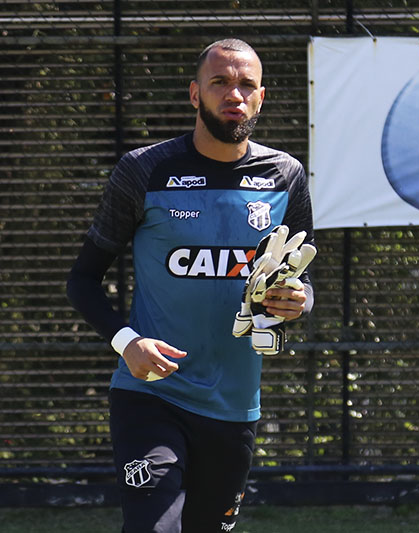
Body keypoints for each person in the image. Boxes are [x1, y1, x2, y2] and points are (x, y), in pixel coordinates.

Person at [67, 38, 315, 533]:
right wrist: (127, 343)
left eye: (246, 85)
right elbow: (82, 281)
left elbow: (300, 279)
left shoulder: (285, 176)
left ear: (261, 97)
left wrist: (298, 301)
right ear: (194, 94)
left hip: (235, 405)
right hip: (152, 395)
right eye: (219, 82)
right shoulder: (144, 170)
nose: (234, 95)